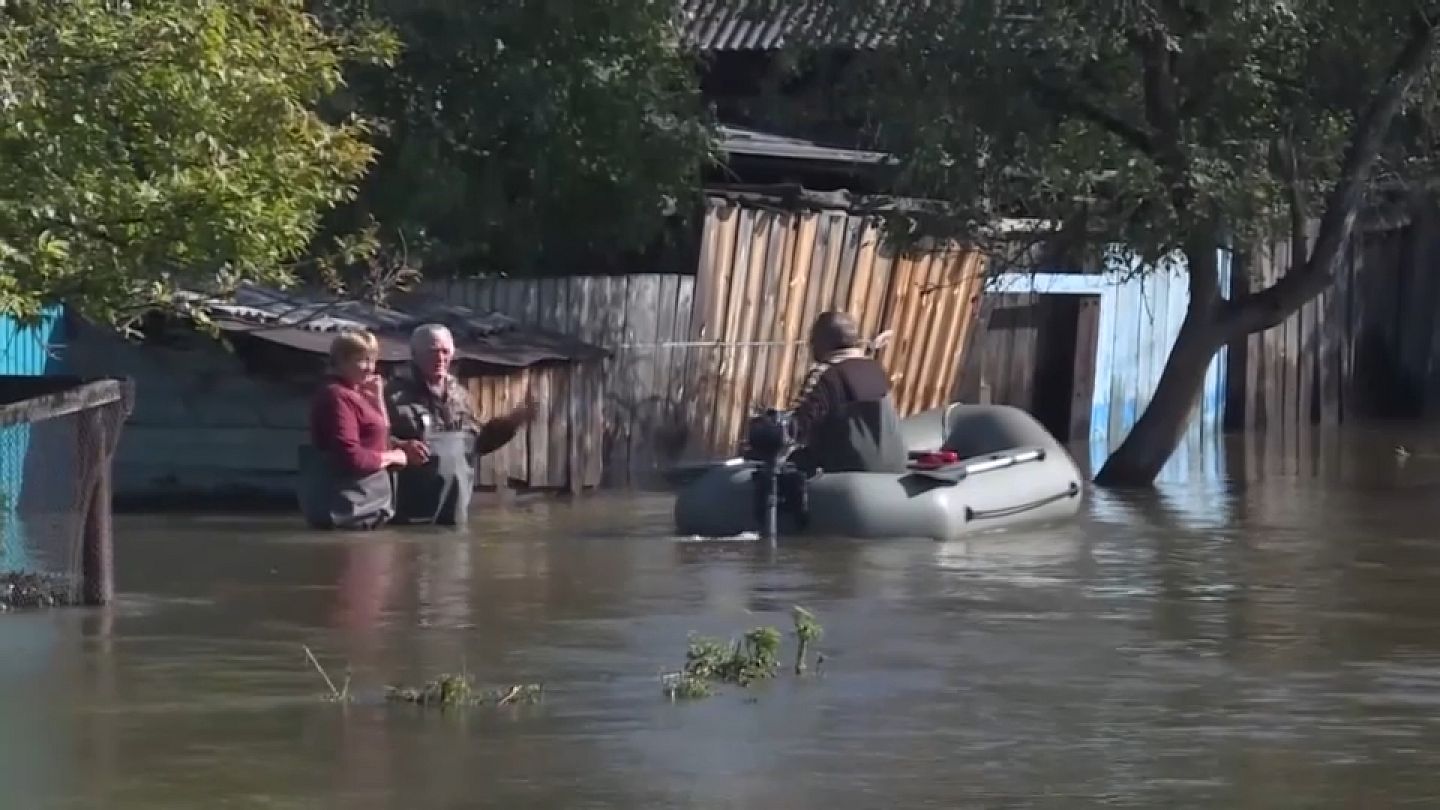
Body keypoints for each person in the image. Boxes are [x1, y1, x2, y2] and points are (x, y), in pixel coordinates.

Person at [386, 323, 538, 525]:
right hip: (410, 515)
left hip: (454, 513)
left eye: (444, 351)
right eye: (432, 352)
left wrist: (511, 424)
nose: (439, 358)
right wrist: (400, 446)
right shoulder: (393, 395)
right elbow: (368, 443)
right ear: (414, 354)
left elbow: (477, 445)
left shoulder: (459, 395)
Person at [300, 330, 429, 530]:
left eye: (372, 360)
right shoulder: (337, 396)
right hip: (347, 509)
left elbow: (374, 438)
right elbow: (351, 457)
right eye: (362, 360)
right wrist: (393, 457)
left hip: (365, 509)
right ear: (341, 361)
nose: (370, 368)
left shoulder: (354, 393)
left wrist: (399, 443)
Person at [786, 311, 909, 474]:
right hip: (893, 471)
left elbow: (797, 426)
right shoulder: (875, 370)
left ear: (824, 342)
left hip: (850, 476)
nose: (811, 344)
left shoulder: (825, 375)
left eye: (814, 338)